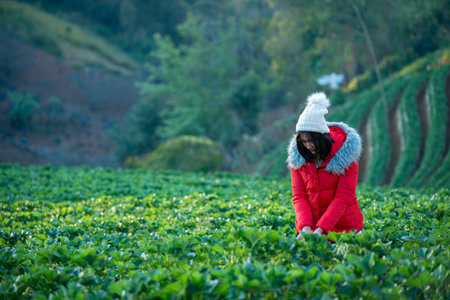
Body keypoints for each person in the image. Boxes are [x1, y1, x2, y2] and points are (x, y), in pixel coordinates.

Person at [286, 92, 363, 240]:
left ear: (322, 137)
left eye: (312, 140)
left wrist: (321, 230)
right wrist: (306, 228)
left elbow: (343, 197)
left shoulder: (346, 153)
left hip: (344, 229)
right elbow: (299, 196)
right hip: (312, 228)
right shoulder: (299, 157)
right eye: (303, 141)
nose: (308, 146)